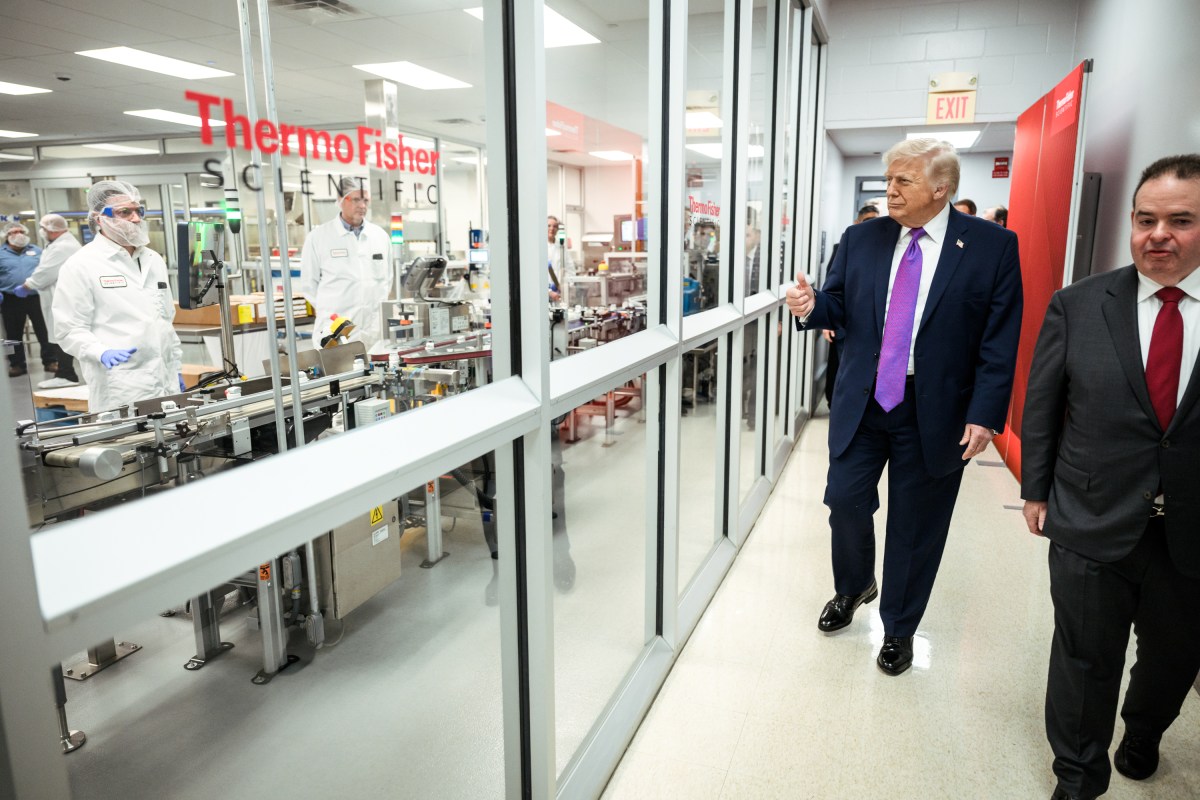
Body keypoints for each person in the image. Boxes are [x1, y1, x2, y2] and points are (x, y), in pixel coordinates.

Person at [785, 138, 1023, 675]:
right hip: (864, 400)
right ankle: (854, 586)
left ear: (941, 189)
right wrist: (812, 306)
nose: (889, 190)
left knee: (916, 526)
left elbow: (998, 341)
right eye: (888, 178)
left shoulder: (991, 248)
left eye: (903, 182)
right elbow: (838, 304)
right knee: (844, 501)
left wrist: (985, 413)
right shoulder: (861, 237)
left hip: (935, 411)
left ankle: (898, 628)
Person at [1020, 154, 1200, 800]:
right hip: (1091, 517)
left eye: (1181, 221)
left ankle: (1144, 730)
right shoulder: (1079, 304)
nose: (1160, 234)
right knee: (1083, 657)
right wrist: (1035, 489)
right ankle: (1075, 776)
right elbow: (1041, 405)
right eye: (1146, 219)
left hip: (1189, 534)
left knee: (1174, 658)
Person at [53, 181, 184, 413]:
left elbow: (166, 320)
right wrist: (100, 352)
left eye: (138, 211)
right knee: (129, 446)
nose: (135, 219)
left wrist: (175, 365)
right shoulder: (81, 264)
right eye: (124, 212)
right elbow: (68, 329)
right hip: (120, 385)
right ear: (98, 218)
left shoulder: (153, 259)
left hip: (166, 382)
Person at [299, 177, 391, 351]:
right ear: (341, 200)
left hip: (373, 332)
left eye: (366, 200)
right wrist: (330, 312)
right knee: (338, 375)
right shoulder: (318, 237)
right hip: (335, 330)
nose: (362, 206)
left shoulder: (379, 236)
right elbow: (309, 286)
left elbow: (387, 281)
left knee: (375, 376)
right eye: (356, 199)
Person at [823, 205, 879, 406]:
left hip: (873, 323)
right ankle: (836, 403)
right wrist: (827, 321)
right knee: (840, 365)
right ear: (858, 222)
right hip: (844, 319)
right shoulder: (844, 246)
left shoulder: (887, 248)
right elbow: (832, 286)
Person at [20, 214, 82, 387]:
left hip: (62, 298)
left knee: (61, 333)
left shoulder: (63, 247)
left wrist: (27, 285)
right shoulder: (57, 245)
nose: (41, 232)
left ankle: (67, 375)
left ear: (53, 230)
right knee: (59, 333)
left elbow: (45, 273)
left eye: (44, 228)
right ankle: (65, 373)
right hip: (55, 296)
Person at [0, 221, 62, 379]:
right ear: (7, 236)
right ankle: (16, 364)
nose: (19, 235)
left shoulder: (38, 251)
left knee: (44, 330)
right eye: (14, 232)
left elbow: (47, 272)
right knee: (12, 335)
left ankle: (50, 361)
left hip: (36, 297)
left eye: (21, 231)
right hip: (10, 299)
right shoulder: (1, 254)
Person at [547, 215, 576, 302]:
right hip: (544, 293)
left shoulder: (561, 247)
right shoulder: (538, 248)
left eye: (555, 226)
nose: (552, 228)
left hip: (560, 294)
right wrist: (549, 291)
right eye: (549, 226)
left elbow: (570, 269)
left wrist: (565, 288)